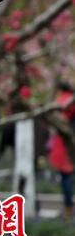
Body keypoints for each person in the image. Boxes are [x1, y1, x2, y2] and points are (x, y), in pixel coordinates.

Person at [48, 82, 75, 220]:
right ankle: (68, 208)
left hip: (65, 147)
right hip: (67, 144)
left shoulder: (61, 102)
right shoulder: (68, 100)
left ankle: (68, 208)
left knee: (66, 179)